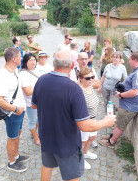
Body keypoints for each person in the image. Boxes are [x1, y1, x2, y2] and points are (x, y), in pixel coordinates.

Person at [31, 50, 116, 181]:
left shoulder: (41, 80)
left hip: (46, 136)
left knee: (47, 165)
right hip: (67, 143)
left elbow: (34, 105)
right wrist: (106, 122)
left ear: (53, 63)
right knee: (72, 175)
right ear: (71, 66)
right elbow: (85, 125)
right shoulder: (74, 89)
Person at [99, 52, 138, 148]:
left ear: (135, 60)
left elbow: (135, 91)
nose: (128, 62)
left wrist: (121, 95)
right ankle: (111, 136)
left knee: (120, 125)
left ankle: (111, 142)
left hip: (130, 106)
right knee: (118, 123)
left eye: (130, 60)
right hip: (128, 104)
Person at [0, 47, 29, 172]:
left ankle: (16, 155)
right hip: (12, 113)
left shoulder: (14, 70)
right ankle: (12, 162)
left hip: (19, 110)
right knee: (12, 137)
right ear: (14, 59)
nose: (22, 58)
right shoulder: (3, 76)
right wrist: (15, 109)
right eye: (20, 56)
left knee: (17, 134)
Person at [78, 67, 100, 170]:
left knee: (92, 137)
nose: (91, 80)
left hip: (93, 118)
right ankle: (80, 160)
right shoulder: (79, 91)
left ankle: (85, 153)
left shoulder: (90, 86)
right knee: (82, 141)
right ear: (80, 79)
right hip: (84, 121)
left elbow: (98, 83)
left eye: (92, 77)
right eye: (87, 78)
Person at [19, 53, 40, 145]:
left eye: (34, 59)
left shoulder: (37, 71)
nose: (33, 62)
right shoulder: (23, 74)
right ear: (25, 62)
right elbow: (27, 91)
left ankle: (35, 132)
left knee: (39, 120)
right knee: (32, 120)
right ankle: (36, 138)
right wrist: (40, 86)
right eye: (30, 60)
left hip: (41, 101)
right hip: (31, 102)